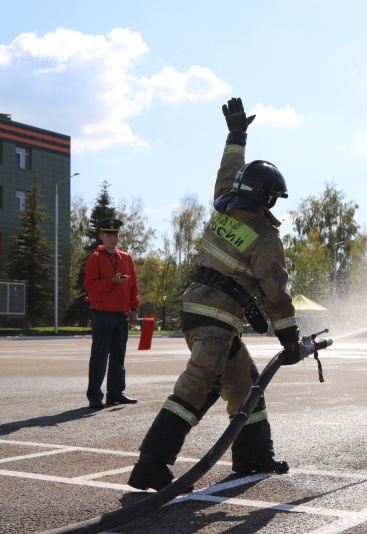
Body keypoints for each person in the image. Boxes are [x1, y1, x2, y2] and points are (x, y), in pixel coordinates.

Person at [127, 97, 304, 491]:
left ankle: (254, 457)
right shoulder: (265, 237)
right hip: (218, 320)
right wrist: (290, 339)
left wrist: (236, 134)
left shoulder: (223, 207)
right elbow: (276, 294)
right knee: (198, 387)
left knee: (245, 384)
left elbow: (229, 170)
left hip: (198, 310)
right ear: (267, 197)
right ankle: (150, 466)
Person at [84, 218, 141, 409]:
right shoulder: (96, 258)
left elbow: (133, 286)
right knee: (100, 355)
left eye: (115, 234)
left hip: (121, 314)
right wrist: (112, 281)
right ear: (101, 236)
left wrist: (134, 309)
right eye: (108, 235)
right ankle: (94, 396)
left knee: (118, 355)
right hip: (102, 313)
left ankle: (116, 393)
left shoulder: (126, 258)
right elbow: (90, 286)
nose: (112, 238)